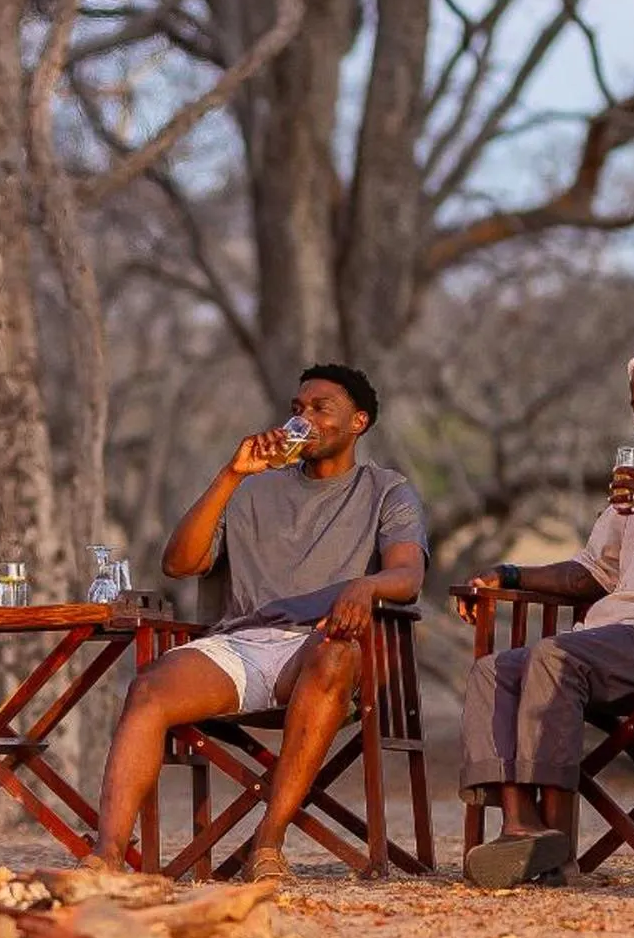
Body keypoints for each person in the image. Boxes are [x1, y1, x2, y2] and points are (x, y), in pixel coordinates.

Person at [87, 364, 428, 883]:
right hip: (241, 643)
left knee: (335, 654)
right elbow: (179, 563)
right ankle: (107, 857)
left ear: (358, 422)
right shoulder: (251, 490)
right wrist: (232, 474)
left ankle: (267, 845)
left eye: (320, 409)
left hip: (324, 647)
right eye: (297, 409)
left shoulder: (386, 490)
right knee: (150, 687)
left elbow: (406, 574)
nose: (303, 419)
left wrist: (364, 586)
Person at [457, 336, 634, 888]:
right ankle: (524, 827)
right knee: (493, 670)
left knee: (552, 657)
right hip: (609, 636)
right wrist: (510, 575)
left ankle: (558, 855)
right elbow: (592, 572)